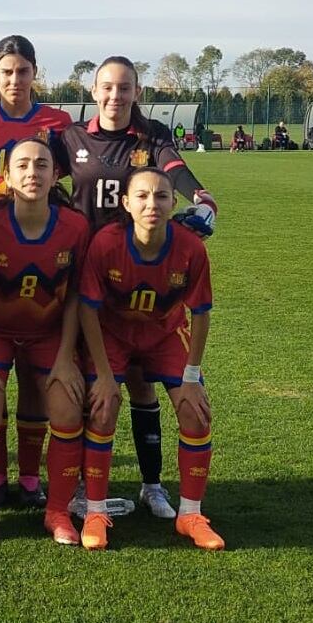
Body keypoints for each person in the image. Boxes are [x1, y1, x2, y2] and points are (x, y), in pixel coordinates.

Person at [55, 56, 215, 520]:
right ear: (93, 91)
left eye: (124, 88)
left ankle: (152, 486)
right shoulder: (71, 138)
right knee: (96, 392)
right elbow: (37, 168)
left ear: (137, 93)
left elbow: (176, 172)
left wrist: (202, 198)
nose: (115, 96)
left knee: (144, 387)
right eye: (107, 87)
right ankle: (86, 491)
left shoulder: (151, 137)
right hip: (87, 274)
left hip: (143, 269)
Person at [73, 167, 222, 550]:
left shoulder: (190, 248)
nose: (151, 204)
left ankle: (191, 514)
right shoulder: (106, 243)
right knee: (103, 407)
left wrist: (191, 376)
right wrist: (104, 375)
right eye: (141, 196)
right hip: (113, 334)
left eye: (160, 196)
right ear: (125, 203)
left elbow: (201, 312)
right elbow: (87, 310)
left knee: (195, 411)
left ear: (174, 203)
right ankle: (94, 511)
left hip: (165, 333)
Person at [0, 138, 91, 534]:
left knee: (68, 410)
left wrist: (65, 356)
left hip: (48, 334)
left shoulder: (75, 226)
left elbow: (74, 296)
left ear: (56, 174)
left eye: (41, 165)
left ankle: (57, 511)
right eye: (22, 165)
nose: (32, 173)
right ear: (7, 176)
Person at [0, 35, 75, 208]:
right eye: (7, 72)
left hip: (38, 227)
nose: (15, 81)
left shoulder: (59, 121)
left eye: (22, 71)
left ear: (34, 72)